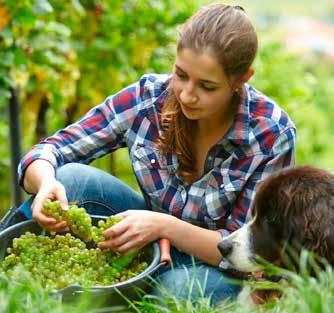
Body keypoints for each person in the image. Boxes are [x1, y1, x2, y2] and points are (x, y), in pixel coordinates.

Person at [1, 3, 296, 304]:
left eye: (207, 87)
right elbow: (50, 151)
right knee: (69, 177)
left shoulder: (270, 134)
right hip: (149, 238)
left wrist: (162, 225)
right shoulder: (149, 99)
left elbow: (246, 247)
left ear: (241, 79)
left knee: (175, 292)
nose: (186, 95)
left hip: (217, 266)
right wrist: (45, 181)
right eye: (181, 75)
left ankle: (131, 290)